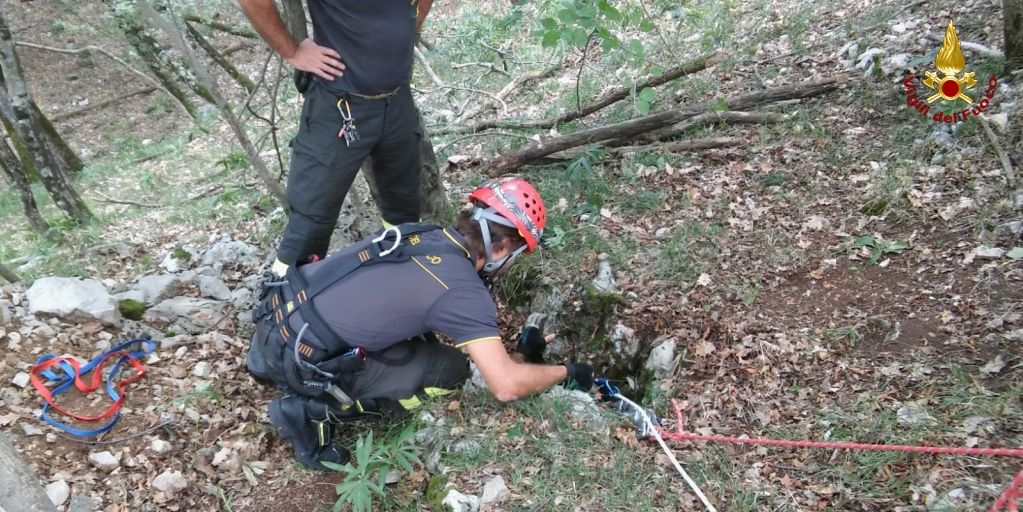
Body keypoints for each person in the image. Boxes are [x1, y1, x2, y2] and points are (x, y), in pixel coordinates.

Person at [246, 178, 595, 470]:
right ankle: (313, 410)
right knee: (452, 369)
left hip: (276, 318)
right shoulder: (461, 288)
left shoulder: (425, 233)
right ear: (503, 248)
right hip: (301, 358)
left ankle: (265, 362)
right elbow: (505, 385)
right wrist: (566, 372)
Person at [238, 0, 434, 276]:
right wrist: (292, 51)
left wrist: (407, 27)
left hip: (397, 102)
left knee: (403, 208)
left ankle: (398, 278)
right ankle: (285, 303)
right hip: (338, 108)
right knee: (310, 221)